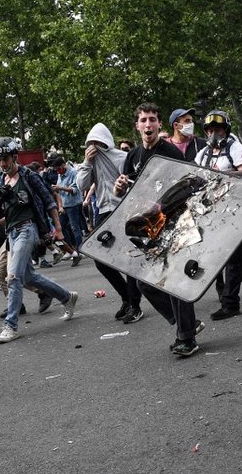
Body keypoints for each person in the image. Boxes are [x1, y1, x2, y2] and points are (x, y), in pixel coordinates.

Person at [113, 103, 204, 356]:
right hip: (148, 229)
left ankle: (187, 337)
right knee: (146, 284)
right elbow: (127, 195)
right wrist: (119, 189)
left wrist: (162, 203)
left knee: (174, 281)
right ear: (137, 126)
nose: (148, 124)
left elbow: (188, 185)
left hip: (175, 223)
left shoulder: (169, 152)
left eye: (152, 119)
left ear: (159, 124)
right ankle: (187, 325)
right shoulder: (132, 156)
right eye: (143, 120)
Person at [0, 137, 79, 343]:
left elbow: (49, 201)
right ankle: (67, 297)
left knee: (13, 277)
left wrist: (58, 228)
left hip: (28, 228)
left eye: (5, 159)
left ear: (14, 157)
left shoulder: (28, 175)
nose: (2, 163)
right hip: (11, 233)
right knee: (29, 277)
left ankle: (11, 325)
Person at [194, 110, 242, 319]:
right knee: (225, 256)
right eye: (210, 130)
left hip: (236, 210)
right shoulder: (202, 154)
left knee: (233, 257)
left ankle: (230, 303)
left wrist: (222, 176)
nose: (214, 133)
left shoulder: (235, 148)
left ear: (225, 130)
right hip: (211, 213)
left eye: (218, 129)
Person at [77, 123, 145, 323]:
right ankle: (126, 297)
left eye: (98, 142)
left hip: (123, 210)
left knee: (130, 258)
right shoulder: (91, 161)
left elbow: (134, 182)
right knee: (100, 258)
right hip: (103, 212)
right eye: (91, 143)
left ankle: (135, 305)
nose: (95, 147)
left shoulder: (122, 157)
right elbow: (81, 185)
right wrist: (87, 162)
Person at [52, 156, 85, 267]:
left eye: (58, 169)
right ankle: (70, 249)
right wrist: (60, 206)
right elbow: (58, 193)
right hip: (64, 205)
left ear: (63, 165)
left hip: (74, 204)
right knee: (60, 227)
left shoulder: (73, 173)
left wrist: (60, 188)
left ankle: (80, 250)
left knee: (75, 228)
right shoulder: (60, 174)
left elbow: (75, 190)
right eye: (56, 170)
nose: (57, 171)